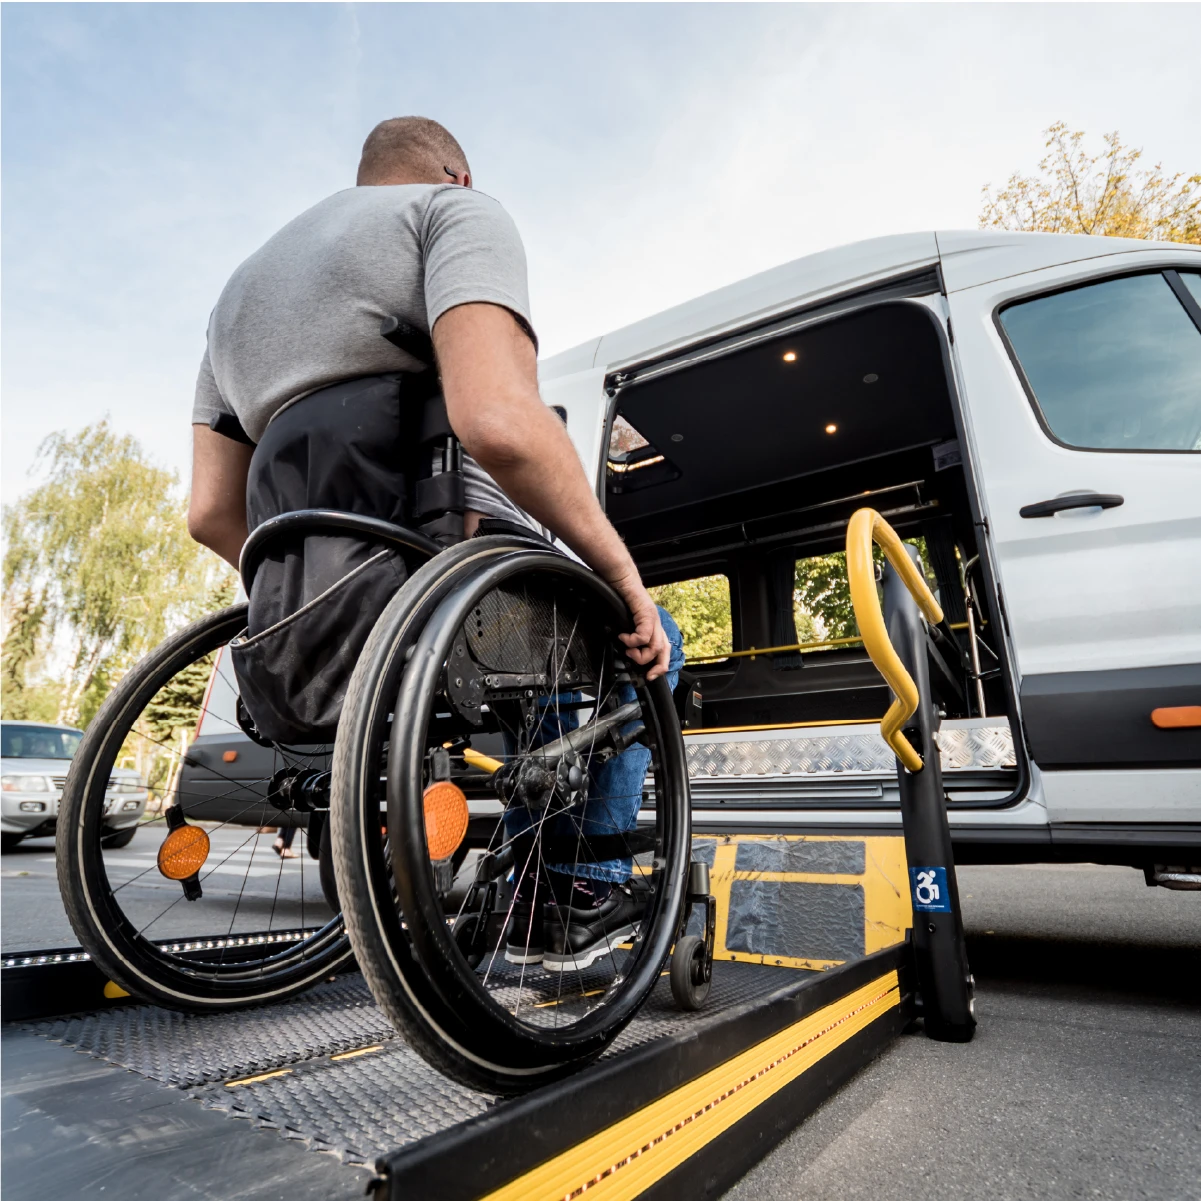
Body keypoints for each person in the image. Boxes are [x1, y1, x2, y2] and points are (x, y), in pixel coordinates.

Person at [187, 116, 681, 971]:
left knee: (546, 663)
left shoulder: (238, 297)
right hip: (434, 572)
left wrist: (317, 586)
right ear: (453, 173)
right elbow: (498, 420)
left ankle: (536, 872)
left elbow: (209, 512)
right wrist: (621, 574)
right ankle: (569, 886)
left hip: (316, 603)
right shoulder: (453, 215)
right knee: (647, 647)